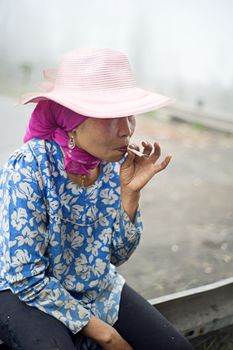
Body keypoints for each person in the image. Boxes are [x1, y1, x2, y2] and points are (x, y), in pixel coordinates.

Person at [0, 48, 194, 350]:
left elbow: (115, 256)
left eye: (128, 114)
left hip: (92, 284)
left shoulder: (111, 166)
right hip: (24, 291)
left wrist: (130, 194)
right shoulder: (29, 166)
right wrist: (107, 334)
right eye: (110, 117)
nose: (127, 129)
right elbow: (26, 277)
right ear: (73, 121)